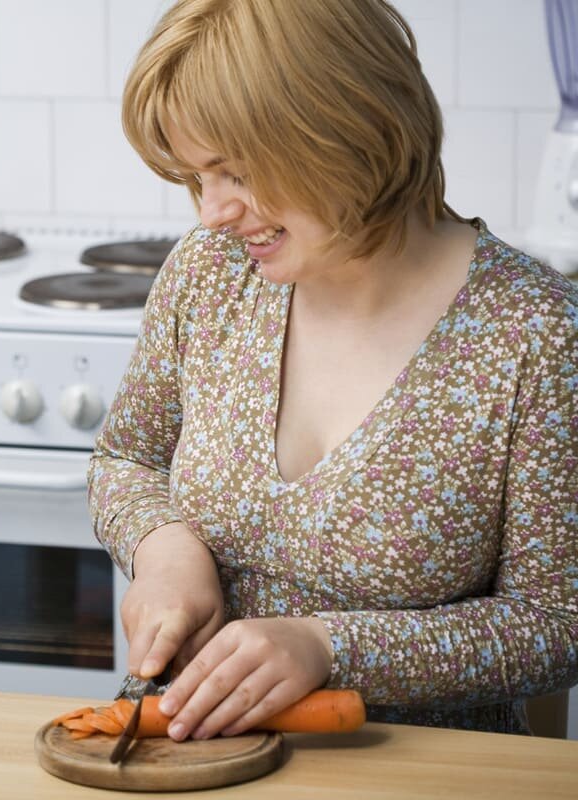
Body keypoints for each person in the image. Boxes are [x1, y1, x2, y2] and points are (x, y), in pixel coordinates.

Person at [91, 0, 578, 738]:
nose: (213, 213)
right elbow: (125, 457)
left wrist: (332, 647)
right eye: (196, 179)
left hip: (424, 775)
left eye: (237, 172)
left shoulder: (535, 332)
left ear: (343, 130)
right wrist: (165, 550)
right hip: (193, 759)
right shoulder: (211, 273)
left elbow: (558, 624)